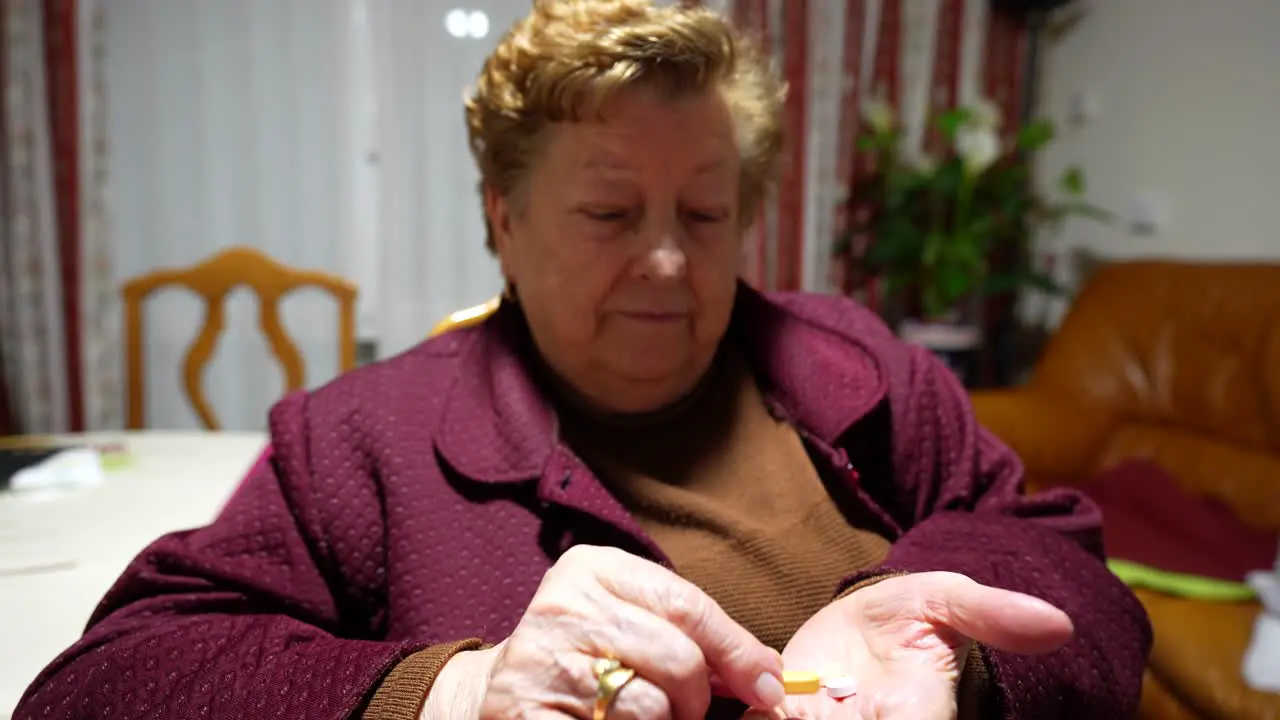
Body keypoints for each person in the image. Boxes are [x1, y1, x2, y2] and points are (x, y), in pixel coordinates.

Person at [16, 1, 1151, 718]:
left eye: (704, 214)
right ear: (502, 217)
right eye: (609, 214)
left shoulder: (853, 365)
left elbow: (1055, 553)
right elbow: (103, 684)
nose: (666, 262)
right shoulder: (358, 440)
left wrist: (950, 652)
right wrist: (455, 692)